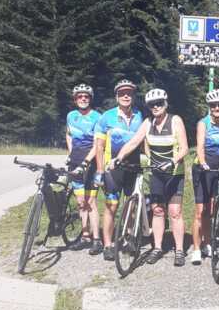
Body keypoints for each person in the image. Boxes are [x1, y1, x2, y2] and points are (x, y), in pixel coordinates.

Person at [115, 88, 189, 266]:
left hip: (174, 174)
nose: (156, 107)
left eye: (159, 103)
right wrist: (119, 157)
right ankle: (157, 247)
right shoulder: (148, 122)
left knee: (175, 212)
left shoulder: (175, 120)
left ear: (165, 103)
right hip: (156, 173)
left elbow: (185, 148)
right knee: (157, 211)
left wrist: (172, 161)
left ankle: (179, 250)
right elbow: (134, 142)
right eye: (152, 105)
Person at [93, 80, 143, 261]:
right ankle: (108, 245)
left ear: (133, 96)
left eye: (129, 93)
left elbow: (142, 141)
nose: (126, 96)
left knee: (131, 206)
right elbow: (99, 146)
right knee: (111, 205)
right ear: (116, 97)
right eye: (122, 93)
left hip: (133, 167)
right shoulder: (106, 117)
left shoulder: (139, 115)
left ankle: (128, 238)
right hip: (112, 169)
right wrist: (100, 170)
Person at [191, 89, 219, 265]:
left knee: (211, 210)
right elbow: (200, 146)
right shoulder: (203, 123)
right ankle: (196, 249)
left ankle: (207, 242)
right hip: (203, 169)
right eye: (214, 105)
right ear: (209, 106)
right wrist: (203, 162)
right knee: (200, 211)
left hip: (217, 168)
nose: (217, 108)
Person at [65, 84, 101, 248]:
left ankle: (97, 239)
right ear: (75, 99)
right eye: (80, 96)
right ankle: (85, 236)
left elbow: (98, 144)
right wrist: (70, 153)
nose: (83, 99)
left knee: (90, 201)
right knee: (80, 201)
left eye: (86, 96)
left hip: (91, 162)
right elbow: (69, 134)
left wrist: (86, 162)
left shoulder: (98, 117)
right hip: (75, 160)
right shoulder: (71, 115)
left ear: (90, 99)